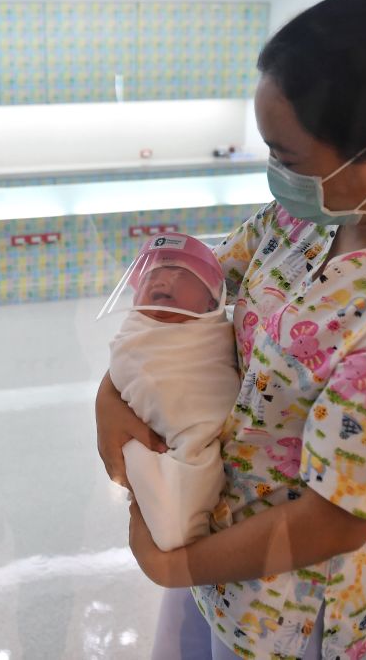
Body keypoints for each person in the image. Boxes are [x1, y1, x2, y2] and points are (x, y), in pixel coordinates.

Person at [95, 0, 366, 660]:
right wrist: (110, 397)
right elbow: (192, 292)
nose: (276, 175)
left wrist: (172, 567)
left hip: (281, 609)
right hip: (205, 539)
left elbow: (334, 519)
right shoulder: (315, 214)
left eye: (287, 156)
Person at [98, 234, 239, 550]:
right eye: (152, 275)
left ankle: (179, 505)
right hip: (167, 442)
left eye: (180, 273)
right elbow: (126, 357)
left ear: (210, 301)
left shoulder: (210, 332)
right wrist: (106, 400)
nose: (163, 279)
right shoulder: (137, 331)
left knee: (194, 454)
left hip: (206, 427)